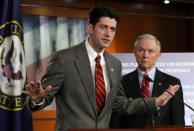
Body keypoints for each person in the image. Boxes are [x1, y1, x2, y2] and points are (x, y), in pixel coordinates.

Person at [24, 8, 180, 131]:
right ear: (90, 28)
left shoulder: (115, 64)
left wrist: (156, 102)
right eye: (103, 27)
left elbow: (120, 103)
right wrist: (38, 100)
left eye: (113, 29)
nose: (108, 33)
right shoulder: (64, 59)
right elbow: (46, 95)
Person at [110, 34, 185, 128]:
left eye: (151, 51)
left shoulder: (172, 83)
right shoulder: (122, 81)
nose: (145, 55)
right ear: (134, 53)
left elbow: (178, 121)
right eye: (141, 50)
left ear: (158, 55)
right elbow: (116, 118)